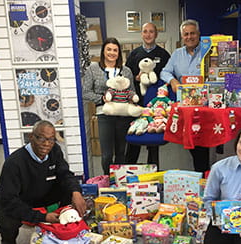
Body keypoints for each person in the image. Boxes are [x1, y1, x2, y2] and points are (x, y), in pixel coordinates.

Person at [0, 120, 86, 244]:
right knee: (5, 212)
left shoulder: (55, 151)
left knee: (70, 188)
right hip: (21, 199)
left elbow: (65, 174)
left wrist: (76, 193)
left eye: (51, 139)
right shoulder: (14, 162)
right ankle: (8, 241)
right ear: (31, 137)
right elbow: (8, 200)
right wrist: (42, 217)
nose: (46, 144)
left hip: (44, 193)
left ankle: (64, 226)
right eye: (41, 138)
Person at [160, 19, 209, 173]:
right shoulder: (177, 54)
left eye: (192, 33)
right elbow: (164, 71)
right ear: (182, 36)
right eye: (186, 34)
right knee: (192, 141)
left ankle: (202, 173)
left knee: (202, 141)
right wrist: (173, 80)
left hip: (205, 105)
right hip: (186, 106)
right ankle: (201, 172)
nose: (189, 37)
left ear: (198, 34)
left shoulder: (209, 51)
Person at [83, 37, 137, 174]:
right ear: (103, 51)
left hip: (123, 115)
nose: (112, 53)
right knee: (107, 154)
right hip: (104, 114)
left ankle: (119, 181)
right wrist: (101, 99)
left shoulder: (126, 71)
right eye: (109, 49)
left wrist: (130, 99)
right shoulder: (92, 69)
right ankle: (108, 179)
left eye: (115, 50)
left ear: (119, 53)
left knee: (121, 152)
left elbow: (132, 92)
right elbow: (85, 93)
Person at [125, 22, 170, 164]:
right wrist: (136, 78)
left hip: (156, 102)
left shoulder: (163, 54)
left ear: (156, 34)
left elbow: (168, 75)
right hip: (137, 100)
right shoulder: (134, 54)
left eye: (151, 31)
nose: (148, 34)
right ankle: (129, 168)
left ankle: (153, 169)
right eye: (145, 31)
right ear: (142, 34)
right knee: (135, 135)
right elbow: (126, 76)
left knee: (153, 137)